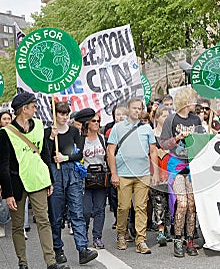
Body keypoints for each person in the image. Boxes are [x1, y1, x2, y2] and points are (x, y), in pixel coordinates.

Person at [0, 92, 69, 269]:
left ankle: (51, 262)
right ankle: (22, 262)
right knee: (18, 225)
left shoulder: (38, 125)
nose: (36, 109)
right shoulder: (6, 133)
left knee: (43, 221)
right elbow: (3, 165)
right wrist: (7, 194)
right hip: (17, 183)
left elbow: (45, 154)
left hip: (38, 180)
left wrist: (49, 180)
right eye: (33, 106)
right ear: (24, 109)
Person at [45, 102, 98, 265]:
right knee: (56, 214)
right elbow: (44, 154)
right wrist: (51, 138)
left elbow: (79, 153)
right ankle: (57, 249)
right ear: (55, 115)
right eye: (61, 113)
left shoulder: (74, 131)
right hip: (55, 172)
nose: (64, 116)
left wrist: (65, 157)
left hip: (72, 173)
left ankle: (82, 249)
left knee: (77, 211)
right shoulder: (48, 132)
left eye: (66, 113)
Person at [107, 98, 159, 254]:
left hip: (142, 174)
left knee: (141, 207)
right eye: (134, 108)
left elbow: (153, 150)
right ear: (128, 109)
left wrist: (155, 172)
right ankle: (121, 235)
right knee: (123, 207)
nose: (137, 110)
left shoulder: (147, 128)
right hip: (123, 174)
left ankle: (141, 240)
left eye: (140, 108)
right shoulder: (117, 128)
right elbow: (110, 150)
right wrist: (114, 173)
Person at [160, 86, 205, 257]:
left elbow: (202, 142)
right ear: (186, 101)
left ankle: (190, 240)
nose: (196, 102)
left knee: (192, 205)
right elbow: (163, 144)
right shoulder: (171, 120)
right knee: (183, 203)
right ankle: (178, 239)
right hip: (177, 165)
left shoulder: (196, 120)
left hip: (193, 165)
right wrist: (177, 138)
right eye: (193, 99)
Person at [80, 111, 107, 249]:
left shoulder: (102, 139)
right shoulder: (81, 140)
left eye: (98, 121)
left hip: (101, 179)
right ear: (87, 123)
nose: (96, 123)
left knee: (99, 209)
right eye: (93, 121)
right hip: (86, 179)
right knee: (85, 210)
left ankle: (97, 237)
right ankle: (83, 234)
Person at [152, 105, 172, 246]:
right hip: (156, 173)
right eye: (163, 115)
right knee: (158, 202)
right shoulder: (151, 134)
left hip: (170, 173)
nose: (166, 118)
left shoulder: (172, 134)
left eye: (167, 115)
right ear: (157, 118)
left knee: (170, 203)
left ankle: (168, 228)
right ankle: (160, 230)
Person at [0, 111, 12, 238]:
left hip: (15, 173)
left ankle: (21, 226)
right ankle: (1, 223)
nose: (7, 121)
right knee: (3, 203)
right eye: (4, 119)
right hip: (2, 173)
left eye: (9, 118)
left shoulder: (17, 135)